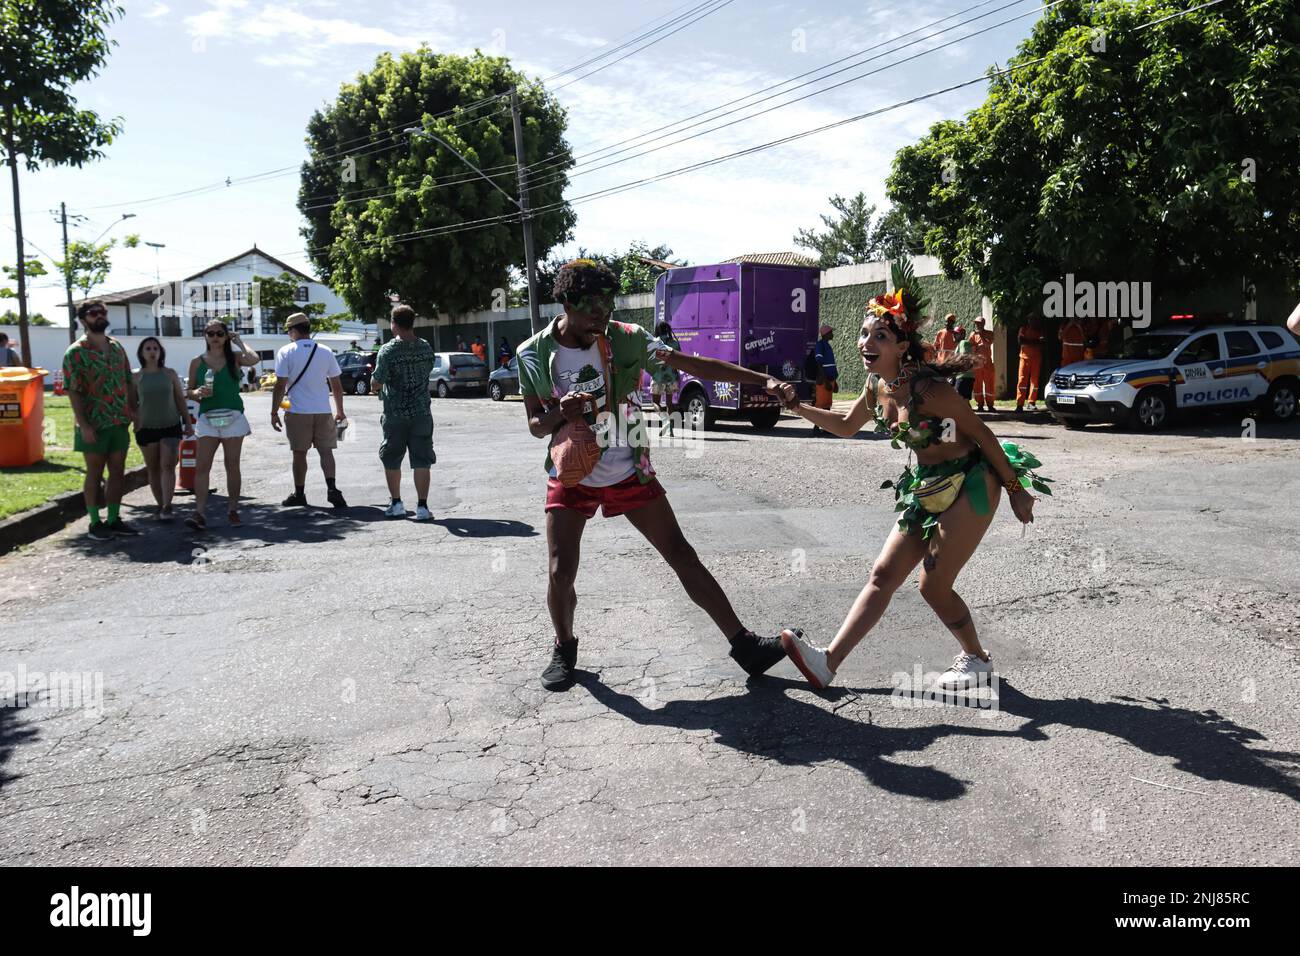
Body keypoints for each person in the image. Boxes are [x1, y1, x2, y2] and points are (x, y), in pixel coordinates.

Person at [517, 259, 794, 691]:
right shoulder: (533, 353)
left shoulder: (625, 340)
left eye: (608, 305)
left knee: (681, 554)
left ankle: (745, 647)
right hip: (572, 472)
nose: (603, 315)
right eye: (593, 307)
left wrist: (763, 379)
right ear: (568, 303)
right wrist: (559, 413)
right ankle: (564, 647)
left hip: (628, 469)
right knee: (560, 571)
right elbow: (536, 424)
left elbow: (693, 365)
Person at [776, 266, 1049, 691]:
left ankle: (976, 660)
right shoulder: (875, 387)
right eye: (865, 334)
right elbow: (847, 426)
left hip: (971, 482)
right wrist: (798, 407)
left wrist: (1017, 491)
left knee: (932, 584)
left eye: (880, 336)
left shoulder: (930, 390)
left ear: (901, 345)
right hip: (926, 484)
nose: (867, 342)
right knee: (883, 574)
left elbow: (982, 434)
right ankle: (827, 663)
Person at [62, 300, 141, 539]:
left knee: (117, 471)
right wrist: (84, 425)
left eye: (103, 312)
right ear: (83, 319)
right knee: (94, 473)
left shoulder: (117, 347)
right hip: (93, 424)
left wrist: (134, 411)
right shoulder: (76, 352)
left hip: (119, 421)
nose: (100, 316)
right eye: (94, 313)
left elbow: (128, 381)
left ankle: (114, 518)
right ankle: (95, 522)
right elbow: (73, 390)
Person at [185, 319, 260, 530]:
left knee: (232, 464)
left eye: (220, 333)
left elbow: (254, 359)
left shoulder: (234, 358)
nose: (215, 337)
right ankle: (199, 512)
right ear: (205, 336)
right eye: (211, 333)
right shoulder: (197, 362)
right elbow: (189, 390)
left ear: (226, 336)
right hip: (208, 417)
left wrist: (239, 341)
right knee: (202, 466)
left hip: (233, 416)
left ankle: (233, 510)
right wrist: (197, 392)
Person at [271, 313, 348, 510]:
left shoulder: (286, 351)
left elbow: (280, 385)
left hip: (297, 411)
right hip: (323, 410)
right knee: (326, 452)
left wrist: (274, 412)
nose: (289, 334)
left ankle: (299, 493)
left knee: (299, 453)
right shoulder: (325, 351)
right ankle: (332, 489)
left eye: (289, 331)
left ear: (294, 330)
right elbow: (336, 385)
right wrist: (340, 411)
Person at [371, 304, 436, 520]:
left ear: (395, 324)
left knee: (391, 457)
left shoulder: (388, 351)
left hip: (395, 413)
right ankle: (423, 507)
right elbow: (427, 372)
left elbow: (376, 382)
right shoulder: (425, 347)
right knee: (422, 459)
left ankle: (397, 503)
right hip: (421, 412)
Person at [133, 337, 192, 520]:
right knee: (153, 468)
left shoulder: (170, 374)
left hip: (170, 425)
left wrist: (188, 422)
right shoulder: (135, 376)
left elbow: (180, 399)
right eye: (148, 348)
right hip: (146, 428)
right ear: (142, 353)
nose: (152, 351)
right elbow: (130, 403)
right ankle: (160, 505)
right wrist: (135, 421)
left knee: (168, 465)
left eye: (155, 348)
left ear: (160, 352)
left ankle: (167, 505)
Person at [649, 320, 682, 436]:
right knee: (669, 403)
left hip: (658, 377)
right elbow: (679, 359)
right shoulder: (674, 343)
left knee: (655, 402)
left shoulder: (655, 342)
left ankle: (665, 421)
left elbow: (651, 359)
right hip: (672, 376)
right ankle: (670, 430)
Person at [811, 323, 838, 434]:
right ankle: (816, 428)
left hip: (830, 379)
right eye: (831, 332)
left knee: (827, 404)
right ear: (826, 334)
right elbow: (819, 364)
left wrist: (834, 382)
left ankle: (826, 427)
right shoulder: (820, 345)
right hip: (824, 380)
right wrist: (826, 381)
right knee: (820, 404)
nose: (832, 334)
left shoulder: (827, 345)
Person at [1016, 315, 1045, 412]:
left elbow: (1041, 342)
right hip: (1024, 358)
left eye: (1035, 320)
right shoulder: (1023, 329)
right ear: (1028, 320)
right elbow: (1020, 341)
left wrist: (1028, 342)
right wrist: (1034, 342)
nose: (1033, 321)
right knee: (1022, 381)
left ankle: (1031, 402)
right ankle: (1019, 404)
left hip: (1036, 359)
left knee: (1034, 382)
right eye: (1031, 320)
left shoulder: (1040, 331)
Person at [969, 317, 996, 412]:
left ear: (983, 324)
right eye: (976, 323)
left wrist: (980, 336)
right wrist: (977, 346)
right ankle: (980, 404)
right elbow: (972, 349)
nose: (977, 325)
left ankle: (990, 405)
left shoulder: (989, 333)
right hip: (977, 364)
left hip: (988, 363)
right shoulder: (973, 335)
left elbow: (987, 344)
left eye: (979, 323)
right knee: (977, 385)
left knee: (990, 385)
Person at [953, 326, 975, 403]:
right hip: (965, 376)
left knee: (959, 401)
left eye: (956, 334)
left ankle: (965, 415)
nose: (954, 335)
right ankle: (969, 415)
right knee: (964, 402)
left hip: (964, 377)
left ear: (962, 335)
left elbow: (964, 355)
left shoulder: (963, 342)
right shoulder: (960, 344)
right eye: (954, 333)